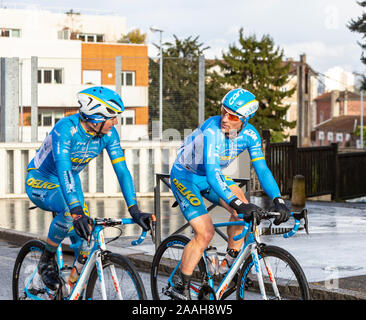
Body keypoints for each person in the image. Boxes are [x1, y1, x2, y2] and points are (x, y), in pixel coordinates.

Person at [169, 88, 291, 300]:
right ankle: (179, 284)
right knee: (205, 232)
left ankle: (230, 261)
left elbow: (262, 169)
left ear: (245, 119)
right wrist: (236, 203)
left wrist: (278, 200)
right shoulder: (212, 130)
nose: (225, 118)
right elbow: (213, 172)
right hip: (186, 176)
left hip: (210, 176)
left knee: (243, 211)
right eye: (223, 111)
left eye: (232, 116)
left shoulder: (250, 135)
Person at [25, 86, 150, 291]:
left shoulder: (109, 135)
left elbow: (122, 172)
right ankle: (46, 259)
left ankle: (69, 289)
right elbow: (63, 169)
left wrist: (134, 209)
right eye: (112, 117)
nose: (116, 121)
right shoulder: (65, 129)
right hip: (42, 179)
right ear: (95, 117)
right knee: (69, 212)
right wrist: (75, 211)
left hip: (70, 182)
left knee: (85, 242)